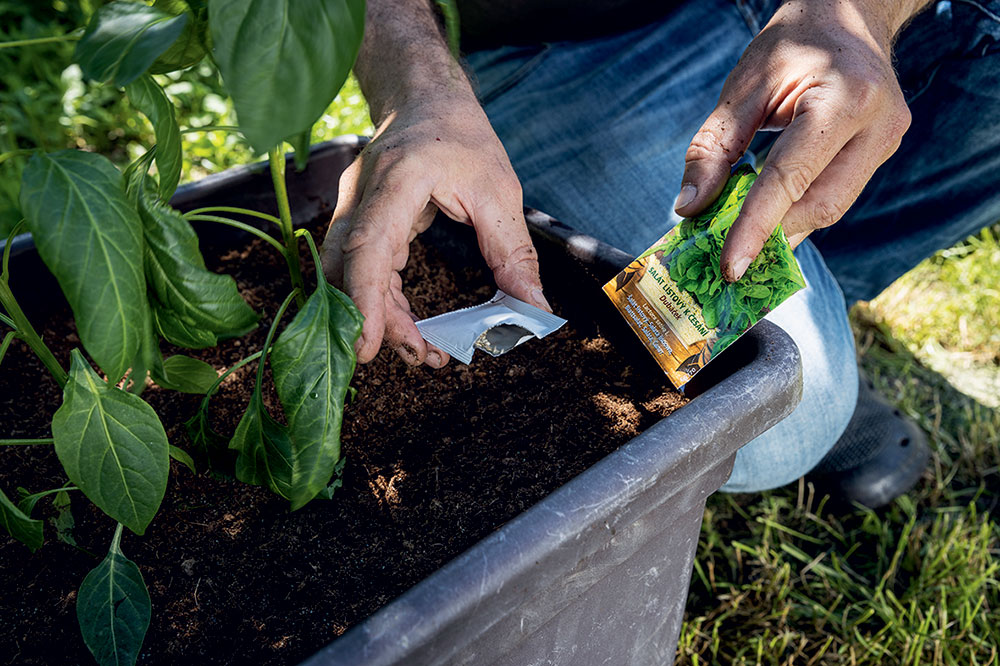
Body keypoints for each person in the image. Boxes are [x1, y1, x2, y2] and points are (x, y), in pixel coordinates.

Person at [322, 0, 1000, 507]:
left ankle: (805, 298)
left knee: (780, 385)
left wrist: (857, 15)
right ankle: (790, 333)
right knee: (788, 422)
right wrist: (416, 87)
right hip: (545, 41)